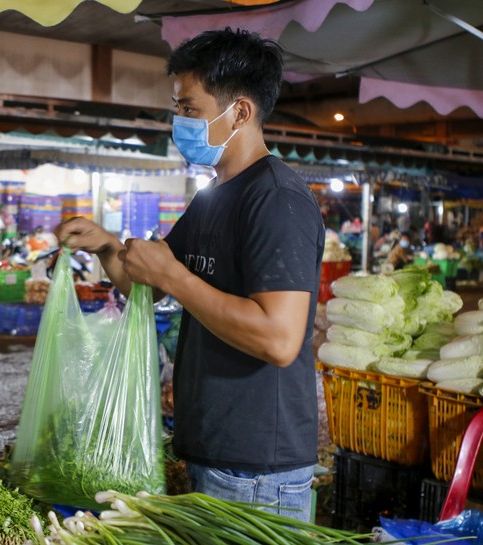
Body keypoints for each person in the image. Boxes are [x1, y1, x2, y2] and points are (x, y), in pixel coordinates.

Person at [55, 28, 324, 522]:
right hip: (214, 448)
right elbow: (146, 284)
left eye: (189, 109)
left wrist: (175, 279)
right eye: (176, 108)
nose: (178, 122)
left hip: (257, 466)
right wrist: (109, 246)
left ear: (239, 112)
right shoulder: (214, 197)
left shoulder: (276, 199)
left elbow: (280, 338)